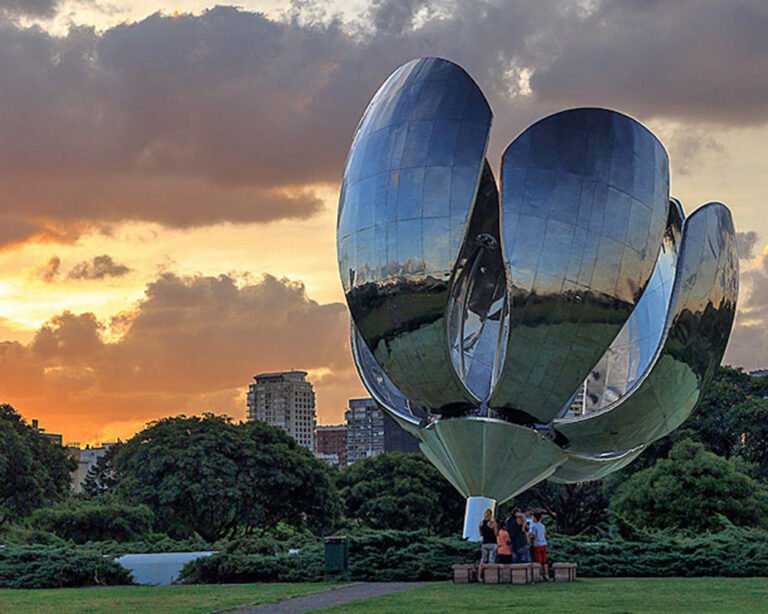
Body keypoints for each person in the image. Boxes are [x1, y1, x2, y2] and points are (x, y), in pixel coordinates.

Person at [529, 511, 549, 580]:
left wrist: (530, 536)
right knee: (544, 561)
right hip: (543, 543)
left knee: (538, 561)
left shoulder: (534, 526)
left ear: (535, 518)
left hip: (537, 544)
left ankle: (540, 575)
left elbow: (534, 536)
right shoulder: (542, 526)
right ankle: (546, 574)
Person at [478, 508, 498, 574]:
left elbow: (481, 534)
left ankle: (480, 574)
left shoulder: (481, 523)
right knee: (491, 560)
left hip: (485, 543)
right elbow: (496, 534)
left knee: (483, 560)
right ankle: (490, 575)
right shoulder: (492, 523)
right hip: (492, 542)